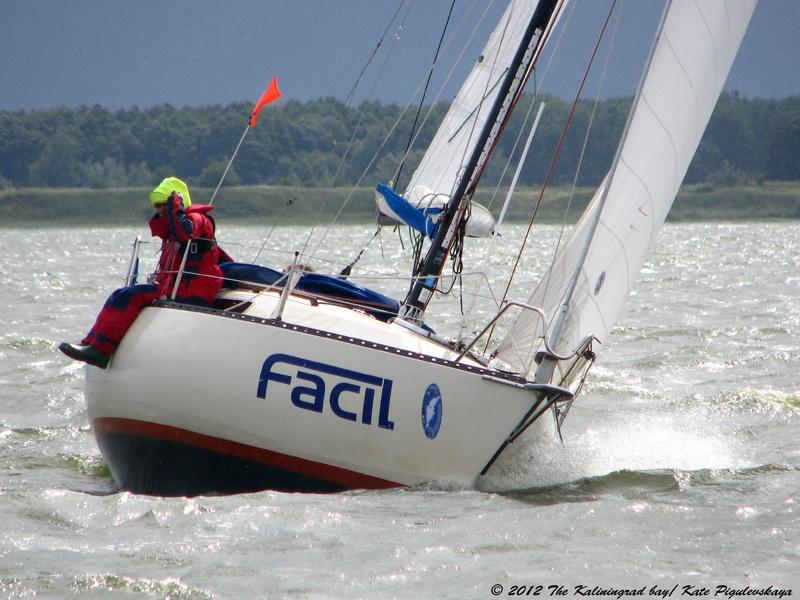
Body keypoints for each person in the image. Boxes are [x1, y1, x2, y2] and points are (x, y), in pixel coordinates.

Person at [59, 177, 224, 368]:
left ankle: (101, 352)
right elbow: (166, 229)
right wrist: (168, 214)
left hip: (193, 290)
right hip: (174, 287)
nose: (161, 209)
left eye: (164, 204)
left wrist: (175, 207)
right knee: (119, 294)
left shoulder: (198, 219)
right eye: (157, 206)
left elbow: (184, 233)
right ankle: (91, 344)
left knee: (131, 296)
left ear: (178, 202)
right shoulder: (173, 225)